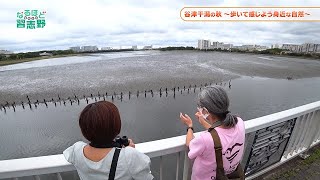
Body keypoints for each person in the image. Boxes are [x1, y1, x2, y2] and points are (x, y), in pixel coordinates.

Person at [63, 101, 154, 180]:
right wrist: (128, 151)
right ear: (115, 125)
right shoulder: (129, 156)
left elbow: (68, 154)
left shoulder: (77, 150)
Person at [179, 85, 245, 180]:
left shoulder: (205, 139)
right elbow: (220, 135)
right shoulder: (239, 122)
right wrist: (204, 122)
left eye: (200, 107)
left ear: (205, 110)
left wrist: (190, 126)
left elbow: (190, 144)